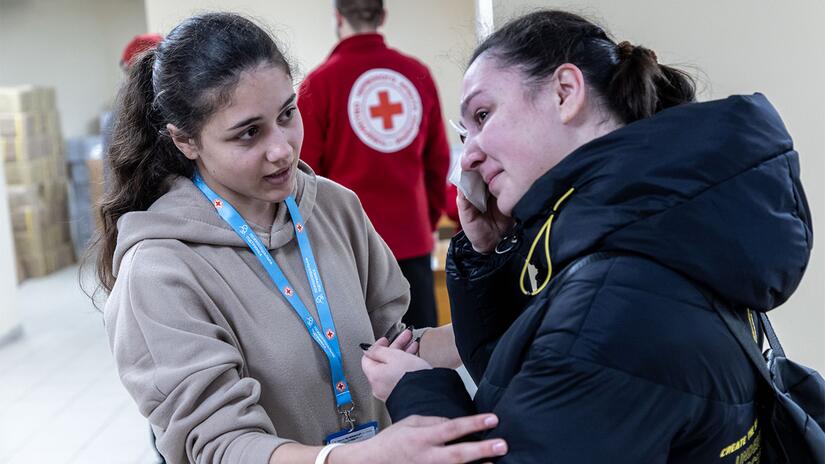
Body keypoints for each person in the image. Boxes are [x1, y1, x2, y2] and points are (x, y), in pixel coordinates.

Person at [362, 9, 813, 463]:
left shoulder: (614, 300)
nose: (470, 156)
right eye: (466, 131)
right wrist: (490, 256)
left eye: (483, 114)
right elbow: (539, 398)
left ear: (565, 92)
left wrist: (416, 391)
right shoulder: (672, 227)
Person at [94, 12, 504, 464]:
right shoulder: (159, 270)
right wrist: (357, 457)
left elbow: (394, 346)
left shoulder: (333, 206)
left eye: (287, 114)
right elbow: (220, 445)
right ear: (185, 140)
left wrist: (518, 317)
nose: (282, 148)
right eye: (249, 133)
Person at [297, 0, 450, 329]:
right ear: (383, 16)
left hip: (347, 248)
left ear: (338, 18)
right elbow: (438, 161)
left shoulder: (319, 83)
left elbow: (305, 174)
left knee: (366, 359)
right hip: (412, 238)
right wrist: (428, 221)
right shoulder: (417, 74)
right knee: (421, 352)